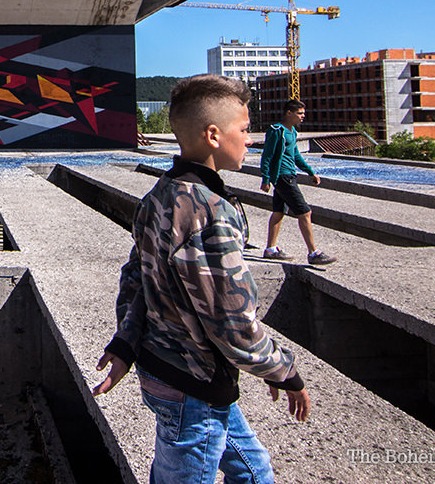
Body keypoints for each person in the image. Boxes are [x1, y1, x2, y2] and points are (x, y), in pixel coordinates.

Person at [94, 74, 310, 483]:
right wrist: (284, 371)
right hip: (192, 386)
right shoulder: (210, 212)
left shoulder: (159, 195)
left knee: (254, 472)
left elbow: (136, 279)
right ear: (214, 135)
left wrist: (126, 340)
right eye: (245, 130)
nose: (250, 140)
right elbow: (232, 320)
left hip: (175, 371)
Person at [259, 99, 337, 265]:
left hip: (289, 175)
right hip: (283, 177)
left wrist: (310, 172)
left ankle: (270, 249)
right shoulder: (276, 131)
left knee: (279, 212)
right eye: (300, 113)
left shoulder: (292, 132)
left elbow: (296, 156)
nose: (303, 117)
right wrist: (265, 178)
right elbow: (267, 156)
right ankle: (313, 253)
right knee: (305, 212)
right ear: (289, 113)